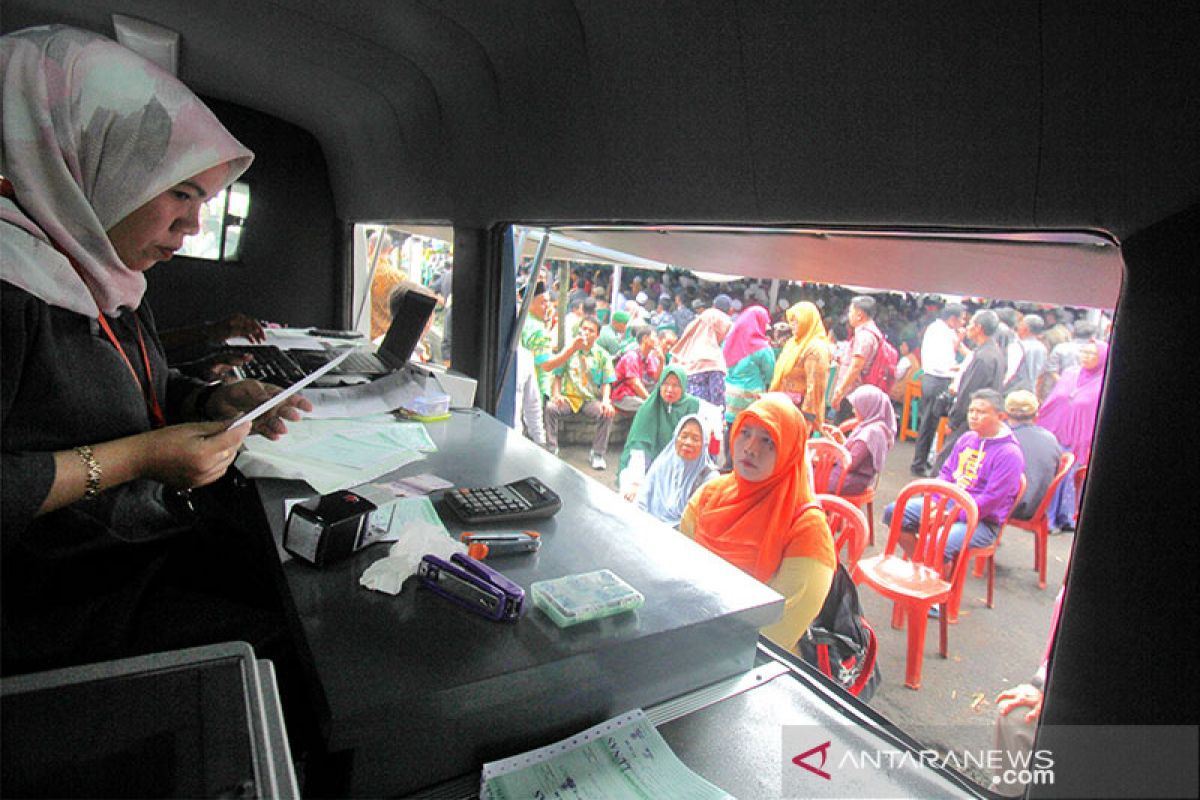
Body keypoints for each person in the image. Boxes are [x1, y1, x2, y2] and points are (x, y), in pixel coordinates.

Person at [1, 26, 311, 680]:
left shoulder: (106, 277)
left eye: (204, 202)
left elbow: (135, 386)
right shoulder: (12, 288)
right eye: (180, 194)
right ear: (90, 159)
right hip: (59, 605)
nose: (193, 227)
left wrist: (206, 399)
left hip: (139, 549)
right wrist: (139, 459)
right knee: (296, 646)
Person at [680, 394, 836, 652]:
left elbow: (774, 633)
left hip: (748, 660)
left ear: (789, 451)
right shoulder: (710, 495)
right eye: (745, 433)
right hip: (690, 634)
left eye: (768, 441)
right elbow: (679, 570)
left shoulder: (808, 531)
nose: (751, 448)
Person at [883, 389, 1025, 569]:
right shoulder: (967, 438)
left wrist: (952, 515)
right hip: (948, 504)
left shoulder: (1009, 454)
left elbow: (991, 499)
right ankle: (925, 569)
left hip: (981, 519)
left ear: (1001, 416)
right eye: (971, 411)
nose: (973, 416)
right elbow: (947, 472)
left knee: (937, 542)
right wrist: (936, 502)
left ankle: (938, 586)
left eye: (981, 412)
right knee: (895, 512)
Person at [1037, 339, 1108, 531]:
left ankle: (1061, 518)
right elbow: (1053, 400)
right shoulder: (1070, 374)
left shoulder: (1104, 383)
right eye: (1084, 352)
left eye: (1091, 354)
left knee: (1065, 476)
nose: (1085, 356)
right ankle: (1045, 518)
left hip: (1079, 440)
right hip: (1056, 434)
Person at [930, 309, 1007, 475]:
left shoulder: (983, 357)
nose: (967, 327)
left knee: (947, 461)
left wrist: (954, 421)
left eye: (970, 324)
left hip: (969, 419)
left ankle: (931, 497)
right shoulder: (994, 353)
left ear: (978, 328)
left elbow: (968, 393)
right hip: (981, 416)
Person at [617, 364, 701, 499]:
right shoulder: (649, 408)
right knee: (632, 494)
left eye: (676, 385)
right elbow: (639, 449)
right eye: (665, 384)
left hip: (677, 464)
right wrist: (636, 483)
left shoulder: (692, 406)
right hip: (645, 463)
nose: (669, 389)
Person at [544, 317, 616, 469]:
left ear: (597, 336)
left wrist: (606, 401)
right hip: (569, 398)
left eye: (591, 330)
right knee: (551, 407)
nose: (586, 333)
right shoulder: (569, 351)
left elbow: (606, 382)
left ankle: (597, 453)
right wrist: (556, 394)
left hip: (589, 399)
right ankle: (551, 448)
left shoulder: (602, 355)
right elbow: (557, 376)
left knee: (607, 413)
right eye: (584, 329)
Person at [910, 303, 966, 476]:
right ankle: (919, 463)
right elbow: (942, 364)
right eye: (962, 319)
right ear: (953, 319)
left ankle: (924, 460)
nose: (963, 323)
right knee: (928, 423)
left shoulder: (941, 330)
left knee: (930, 423)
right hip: (936, 380)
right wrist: (959, 368)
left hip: (935, 379)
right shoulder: (940, 332)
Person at [635, 414, 719, 527]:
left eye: (695, 439)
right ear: (675, 438)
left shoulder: (710, 479)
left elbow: (703, 523)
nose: (688, 442)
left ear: (704, 444)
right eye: (684, 436)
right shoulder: (662, 464)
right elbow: (642, 498)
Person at [768, 300, 832, 429]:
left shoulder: (815, 348)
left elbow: (815, 384)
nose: (792, 326)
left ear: (807, 321)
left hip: (799, 410)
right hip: (784, 405)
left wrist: (807, 416)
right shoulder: (793, 342)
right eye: (791, 321)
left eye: (796, 321)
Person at [1003, 389, 1063, 521]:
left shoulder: (1000, 437)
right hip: (1037, 507)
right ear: (1036, 414)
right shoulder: (1050, 438)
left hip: (1008, 507)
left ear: (1005, 414)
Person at [828, 385, 896, 495]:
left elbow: (851, 463)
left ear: (868, 408)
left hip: (851, 480)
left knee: (810, 480)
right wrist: (841, 441)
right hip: (855, 477)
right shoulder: (872, 426)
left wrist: (833, 452)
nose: (854, 411)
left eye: (857, 407)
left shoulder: (871, 433)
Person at [829, 295, 886, 418]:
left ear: (860, 315)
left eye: (851, 311)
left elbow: (856, 366)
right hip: (854, 391)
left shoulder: (865, 336)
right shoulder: (869, 333)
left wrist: (840, 391)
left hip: (852, 393)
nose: (849, 315)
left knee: (843, 428)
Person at [722, 305, 776, 427]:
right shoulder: (763, 348)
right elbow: (770, 374)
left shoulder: (728, 341)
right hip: (750, 398)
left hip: (729, 396)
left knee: (730, 431)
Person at [670, 304, 733, 407]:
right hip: (702, 413)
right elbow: (717, 394)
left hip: (678, 411)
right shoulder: (713, 358)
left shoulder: (683, 352)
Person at [611, 325, 663, 414]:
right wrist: (651, 402)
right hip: (622, 395)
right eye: (654, 336)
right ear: (645, 338)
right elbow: (635, 384)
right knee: (647, 407)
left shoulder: (649, 357)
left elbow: (656, 378)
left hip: (635, 393)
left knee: (661, 389)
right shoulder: (632, 357)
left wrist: (662, 361)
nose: (657, 340)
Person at [1005, 313, 1048, 394]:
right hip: (1031, 392)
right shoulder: (1043, 348)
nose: (1017, 327)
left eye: (1020, 324)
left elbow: (1010, 373)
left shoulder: (1017, 346)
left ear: (1025, 329)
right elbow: (1042, 375)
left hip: (1014, 391)